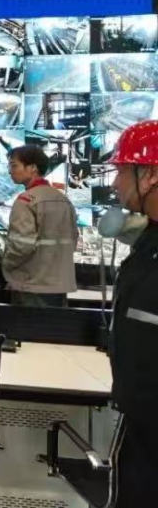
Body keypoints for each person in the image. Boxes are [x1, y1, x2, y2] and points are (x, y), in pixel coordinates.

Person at [105, 120, 158, 508]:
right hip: (141, 423)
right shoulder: (148, 243)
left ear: (150, 174)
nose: (114, 183)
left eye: (121, 171)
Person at [2, 145, 78, 307]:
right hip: (59, 286)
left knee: (28, 324)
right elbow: (73, 241)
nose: (10, 171)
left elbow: (21, 246)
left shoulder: (26, 200)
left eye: (14, 165)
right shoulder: (64, 200)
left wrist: (6, 264)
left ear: (33, 168)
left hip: (31, 285)